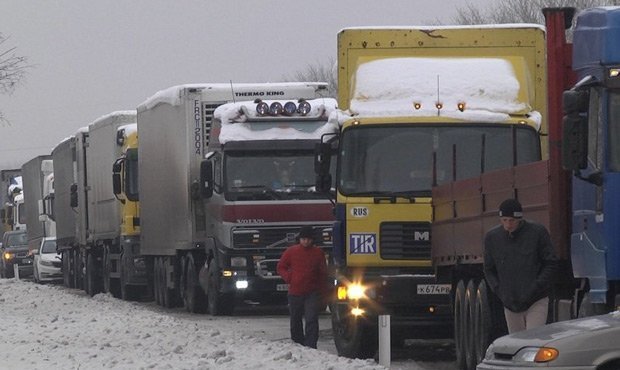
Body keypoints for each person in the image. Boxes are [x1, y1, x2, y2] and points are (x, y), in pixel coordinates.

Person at [483, 198, 558, 334]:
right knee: (516, 342)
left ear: (520, 219)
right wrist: (499, 290)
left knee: (534, 338)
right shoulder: (492, 238)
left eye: (512, 220)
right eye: (504, 220)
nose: (508, 224)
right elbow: (489, 269)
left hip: (536, 298)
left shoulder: (537, 233)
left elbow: (550, 263)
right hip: (510, 301)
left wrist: (538, 285)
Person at [277, 225, 327, 348]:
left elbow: (322, 273)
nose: (306, 241)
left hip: (312, 292)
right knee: (295, 320)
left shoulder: (318, 253)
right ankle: (297, 344)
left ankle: (310, 346)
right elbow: (280, 267)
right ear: (299, 239)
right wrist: (289, 278)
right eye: (303, 239)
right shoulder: (291, 251)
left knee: (311, 319)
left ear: (312, 240)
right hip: (295, 292)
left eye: (308, 239)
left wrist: (323, 291)